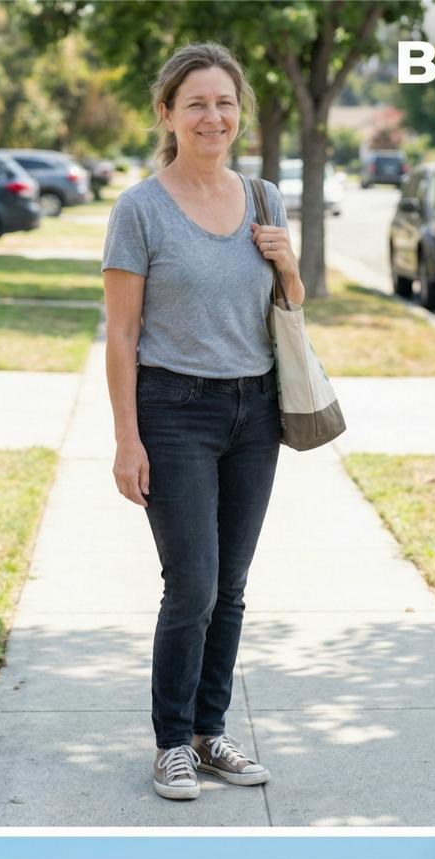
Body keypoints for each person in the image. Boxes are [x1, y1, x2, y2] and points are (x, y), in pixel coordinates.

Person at [101, 43, 305, 803]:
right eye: (196, 104)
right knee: (193, 584)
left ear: (238, 112)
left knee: (233, 585)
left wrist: (289, 265)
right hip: (174, 410)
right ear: (168, 114)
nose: (212, 116)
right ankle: (171, 744)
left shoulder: (264, 198)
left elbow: (289, 306)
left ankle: (210, 733)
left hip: (255, 410)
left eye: (224, 103)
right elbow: (121, 334)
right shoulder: (140, 209)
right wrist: (127, 438)